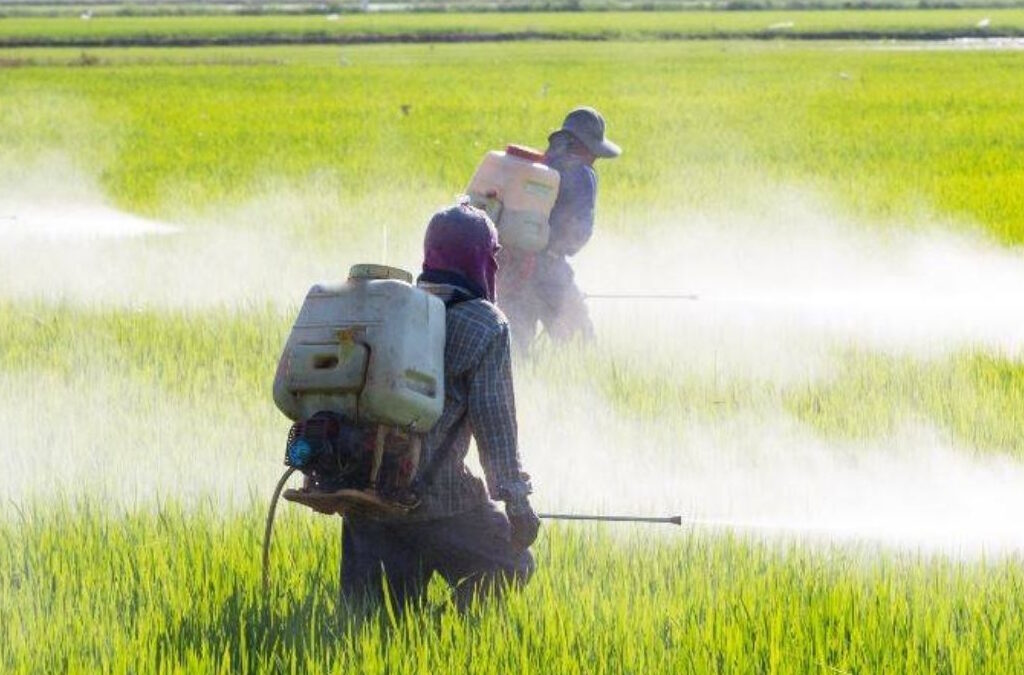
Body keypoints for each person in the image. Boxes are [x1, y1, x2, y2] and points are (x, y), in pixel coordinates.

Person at [341, 202, 540, 611]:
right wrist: (518, 505)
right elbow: (496, 429)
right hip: (441, 504)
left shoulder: (392, 310)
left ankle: (423, 639)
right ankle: (440, 628)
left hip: (365, 500)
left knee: (369, 630)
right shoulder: (485, 323)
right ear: (482, 259)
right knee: (513, 563)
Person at [498, 106, 621, 352]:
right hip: (549, 270)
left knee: (515, 351)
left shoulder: (540, 165)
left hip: (509, 265)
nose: (596, 158)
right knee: (581, 347)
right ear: (585, 146)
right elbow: (578, 233)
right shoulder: (583, 174)